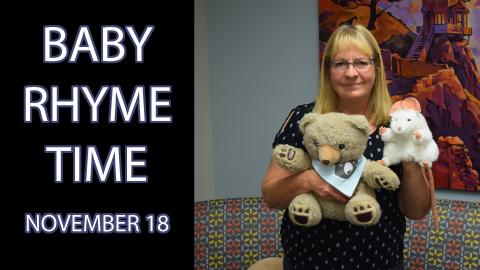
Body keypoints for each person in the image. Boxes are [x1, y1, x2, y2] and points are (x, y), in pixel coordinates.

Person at [261, 24, 431, 270]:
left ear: (376, 67)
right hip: (306, 263)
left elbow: (415, 211)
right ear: (328, 70)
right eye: (340, 64)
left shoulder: (399, 123)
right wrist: (308, 181)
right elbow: (271, 196)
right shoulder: (304, 119)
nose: (351, 73)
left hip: (380, 263)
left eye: (361, 62)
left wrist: (412, 163)